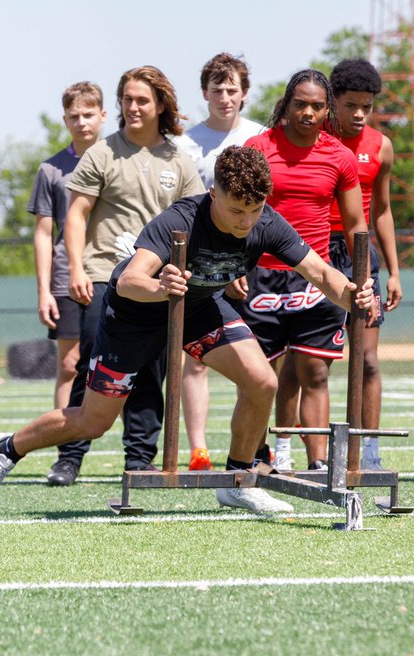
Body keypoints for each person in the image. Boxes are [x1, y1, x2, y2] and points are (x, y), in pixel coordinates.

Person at [0, 146, 376, 515]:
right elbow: (127, 281)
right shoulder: (179, 219)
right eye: (236, 210)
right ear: (214, 193)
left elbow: (320, 273)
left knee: (261, 380)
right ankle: (5, 448)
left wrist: (352, 295)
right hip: (134, 316)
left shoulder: (265, 222)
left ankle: (238, 480)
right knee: (93, 422)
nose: (245, 221)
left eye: (254, 210)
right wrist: (161, 287)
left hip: (198, 308)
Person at [44, 66, 204, 487]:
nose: (133, 107)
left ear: (160, 105)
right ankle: (70, 456)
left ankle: (139, 458)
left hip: (156, 283)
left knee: (151, 367)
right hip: (102, 275)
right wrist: (76, 267)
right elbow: (76, 215)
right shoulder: (102, 152)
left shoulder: (179, 161)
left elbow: (194, 225)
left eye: (142, 100)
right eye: (127, 100)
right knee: (93, 362)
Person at [242, 69, 367, 472]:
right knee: (260, 376)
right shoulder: (258, 148)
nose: (308, 113)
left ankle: (319, 466)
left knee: (314, 370)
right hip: (260, 275)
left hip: (316, 276)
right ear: (286, 104)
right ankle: (254, 459)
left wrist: (364, 279)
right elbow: (237, 213)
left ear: (327, 108)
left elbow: (354, 225)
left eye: (317, 105)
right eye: (301, 104)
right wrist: (234, 268)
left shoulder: (339, 156)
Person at [175, 53, 267, 473]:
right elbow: (178, 208)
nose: (225, 97)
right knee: (196, 358)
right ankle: (199, 449)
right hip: (200, 265)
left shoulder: (259, 137)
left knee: (256, 360)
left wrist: (240, 268)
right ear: (204, 94)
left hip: (250, 263)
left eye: (232, 89)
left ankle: (254, 449)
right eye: (217, 89)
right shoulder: (185, 143)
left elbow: (263, 210)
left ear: (244, 93)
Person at [327, 58, 403, 470]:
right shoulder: (316, 138)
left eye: (367, 106)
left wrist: (393, 270)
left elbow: (383, 212)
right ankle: (310, 456)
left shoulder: (381, 146)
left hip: (361, 259)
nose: (358, 114)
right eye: (350, 104)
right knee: (311, 363)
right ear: (332, 101)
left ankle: (369, 451)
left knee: (368, 360)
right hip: (318, 255)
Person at [28, 82, 108, 411]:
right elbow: (44, 233)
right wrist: (44, 291)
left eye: (89, 114)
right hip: (67, 276)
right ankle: (66, 445)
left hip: (114, 270)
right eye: (74, 116)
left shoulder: (120, 160)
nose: (82, 122)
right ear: (65, 120)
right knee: (69, 365)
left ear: (103, 116)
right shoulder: (50, 170)